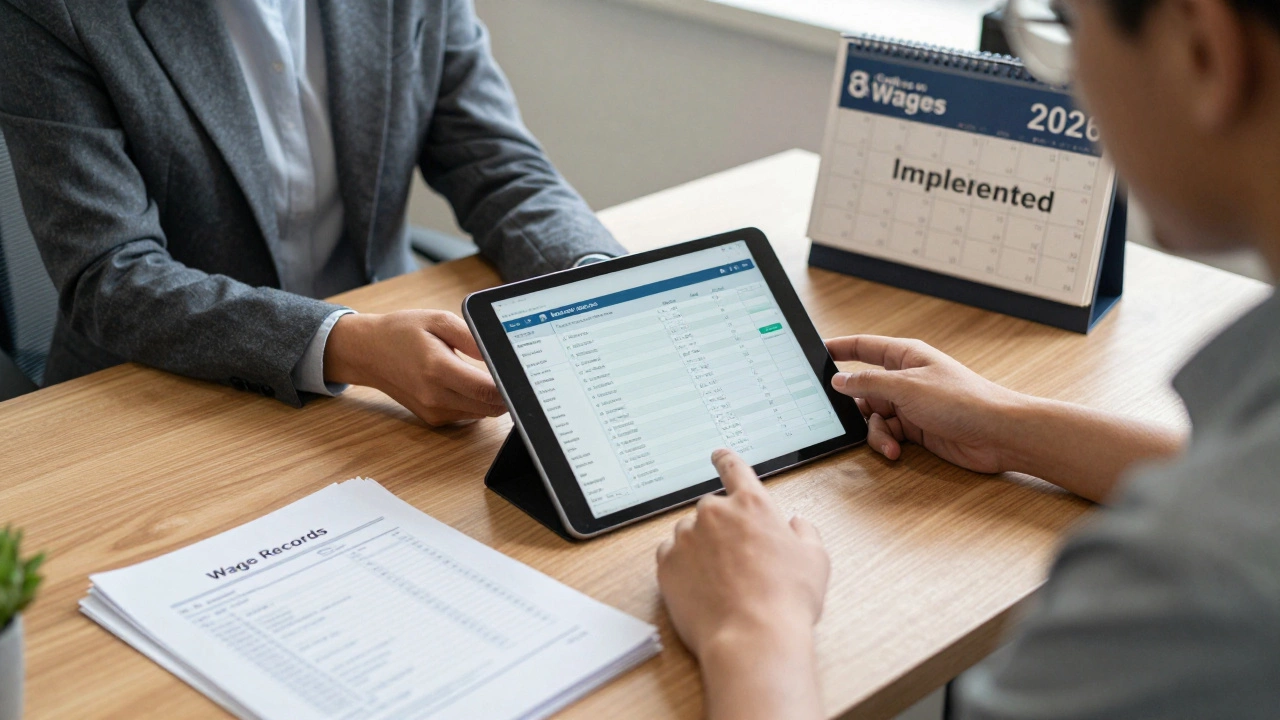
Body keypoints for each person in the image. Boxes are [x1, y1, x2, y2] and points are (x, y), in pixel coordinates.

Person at [656, 0, 1280, 717]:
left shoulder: (1194, 580)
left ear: (1203, 49)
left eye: (1069, 29)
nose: (1071, 82)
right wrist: (1006, 422)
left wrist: (753, 626)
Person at [0, 0, 623, 425]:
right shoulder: (54, 10)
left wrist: (598, 280)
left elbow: (496, 161)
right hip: (160, 396)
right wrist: (343, 344)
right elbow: (110, 274)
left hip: (386, 387)